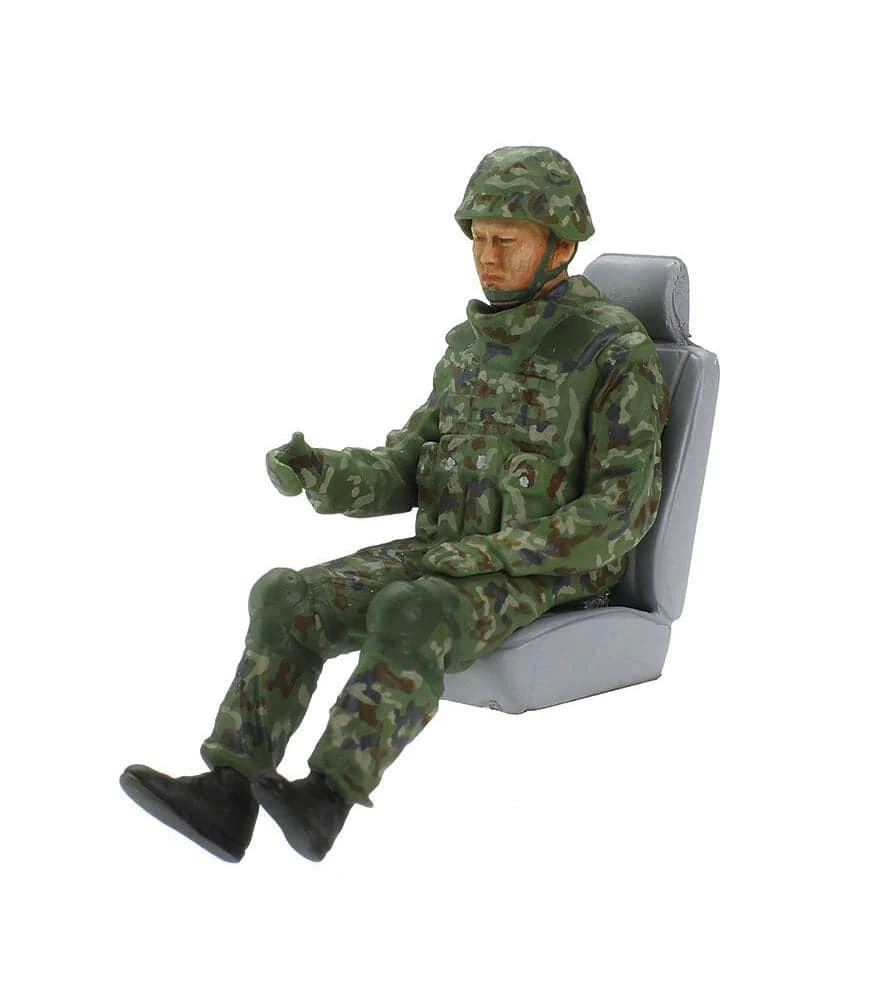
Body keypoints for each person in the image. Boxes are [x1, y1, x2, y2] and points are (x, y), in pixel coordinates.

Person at [120, 146, 670, 863]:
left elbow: (621, 513)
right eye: (478, 238)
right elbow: (406, 466)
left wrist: (489, 553)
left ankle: (326, 798)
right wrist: (324, 474)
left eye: (507, 240)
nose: (487, 257)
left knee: (411, 609)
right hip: (450, 549)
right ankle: (228, 792)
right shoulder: (470, 348)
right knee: (286, 596)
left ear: (561, 245)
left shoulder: (615, 352)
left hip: (544, 569)